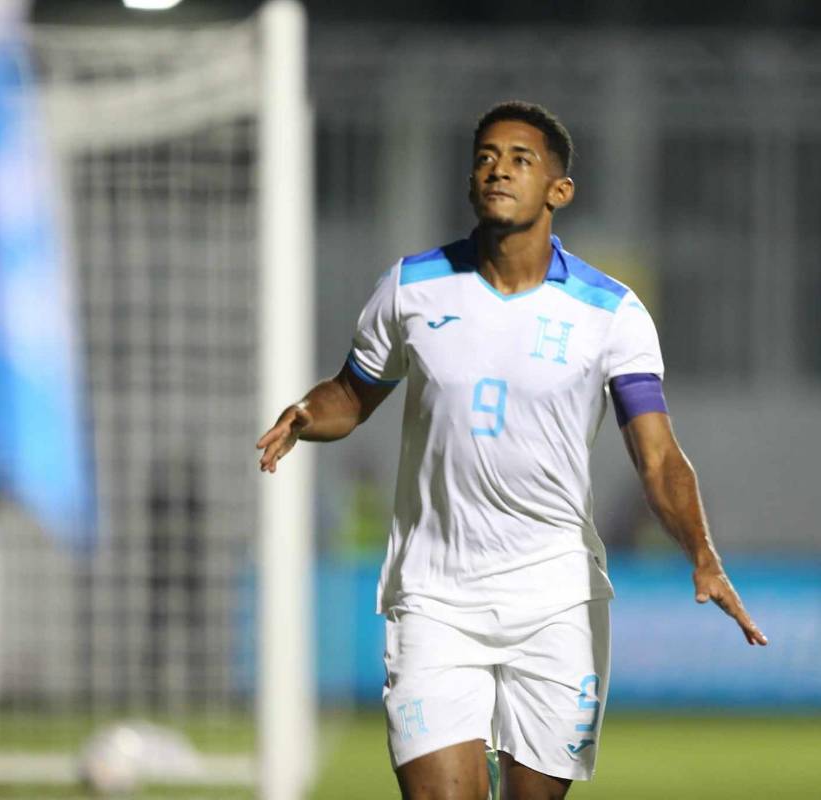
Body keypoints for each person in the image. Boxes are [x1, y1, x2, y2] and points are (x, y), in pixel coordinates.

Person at [256, 100, 767, 800]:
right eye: (486, 157)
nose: (498, 170)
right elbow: (352, 393)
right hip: (435, 593)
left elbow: (658, 457)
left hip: (555, 598)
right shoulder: (411, 287)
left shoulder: (611, 312)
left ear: (559, 190)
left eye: (521, 160)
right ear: (470, 182)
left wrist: (703, 555)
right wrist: (307, 412)